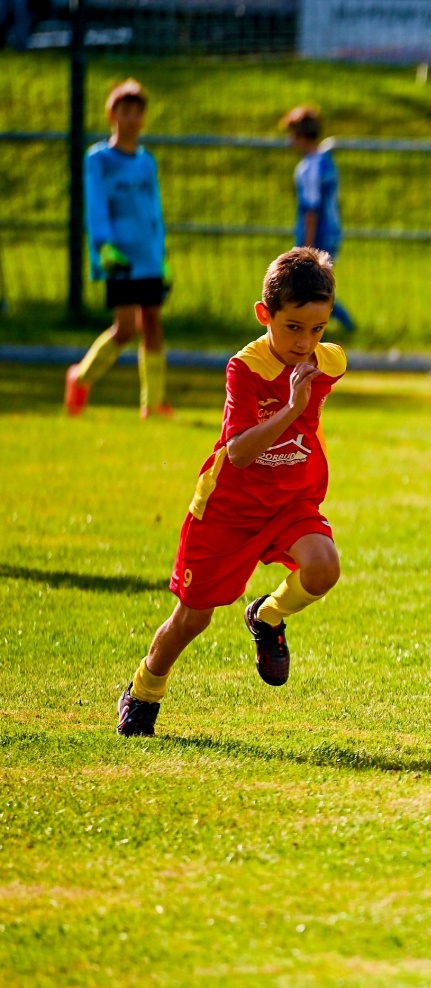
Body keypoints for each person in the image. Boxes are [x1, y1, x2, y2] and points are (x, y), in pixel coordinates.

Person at [115, 248, 347, 737]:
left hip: (289, 502)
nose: (306, 343)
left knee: (324, 566)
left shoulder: (330, 362)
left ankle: (267, 615)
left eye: (318, 329)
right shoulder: (245, 368)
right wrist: (290, 408)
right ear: (265, 315)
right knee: (191, 619)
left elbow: (315, 404)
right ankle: (143, 688)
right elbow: (239, 452)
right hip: (229, 510)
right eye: (293, 328)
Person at [65, 80, 172, 418]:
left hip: (149, 256)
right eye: (125, 111)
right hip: (120, 256)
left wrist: (162, 254)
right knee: (126, 328)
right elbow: (96, 204)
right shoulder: (99, 159)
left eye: (137, 113)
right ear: (112, 114)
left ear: (143, 118)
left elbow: (154, 210)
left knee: (153, 323)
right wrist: (104, 247)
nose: (131, 119)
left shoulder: (146, 161)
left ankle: (152, 404)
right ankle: (81, 378)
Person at [281, 105, 355, 332]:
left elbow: (311, 209)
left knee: (312, 286)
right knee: (317, 285)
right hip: (333, 230)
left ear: (302, 136)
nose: (290, 142)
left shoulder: (308, 168)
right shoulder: (325, 161)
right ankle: (331, 328)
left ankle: (343, 326)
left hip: (317, 233)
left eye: (292, 135)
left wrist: (307, 247)